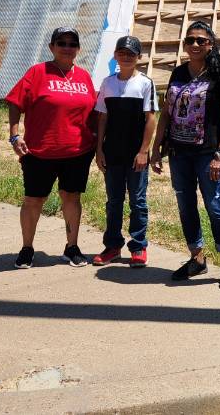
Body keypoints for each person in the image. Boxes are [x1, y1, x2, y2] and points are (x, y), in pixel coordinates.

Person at [151, 20, 220, 289]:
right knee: (185, 205)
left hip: (208, 153)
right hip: (179, 152)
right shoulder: (178, 73)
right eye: (190, 40)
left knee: (214, 204)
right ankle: (197, 258)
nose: (195, 44)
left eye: (201, 40)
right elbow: (166, 112)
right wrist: (156, 148)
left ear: (211, 44)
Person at [6, 27, 97, 268]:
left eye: (72, 43)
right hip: (40, 152)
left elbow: (94, 113)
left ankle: (72, 247)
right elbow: (15, 102)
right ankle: (27, 248)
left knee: (72, 197)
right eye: (61, 43)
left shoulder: (84, 77)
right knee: (34, 200)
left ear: (78, 49)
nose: (67, 47)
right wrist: (14, 136)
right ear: (52, 47)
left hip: (77, 152)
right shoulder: (38, 72)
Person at [92, 36, 158, 268]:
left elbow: (150, 119)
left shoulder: (145, 83)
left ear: (139, 56)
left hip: (135, 154)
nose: (126, 57)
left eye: (131, 53)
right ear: (115, 55)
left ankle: (138, 246)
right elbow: (102, 118)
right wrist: (99, 149)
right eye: (122, 52)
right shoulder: (107, 83)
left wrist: (144, 151)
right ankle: (112, 246)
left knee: (138, 201)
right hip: (112, 152)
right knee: (114, 201)